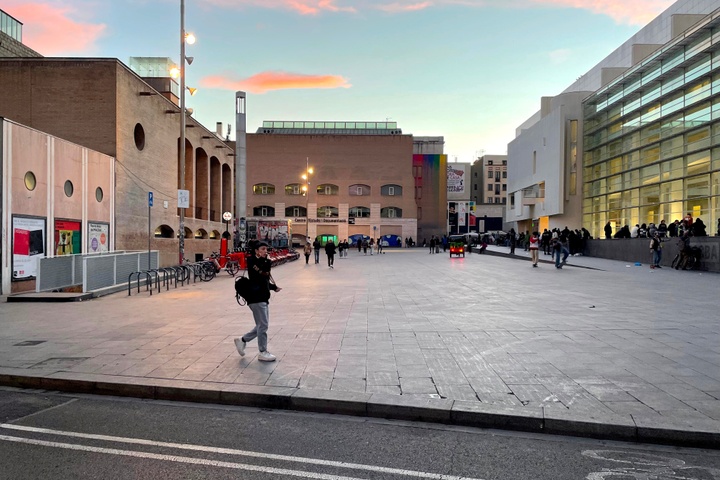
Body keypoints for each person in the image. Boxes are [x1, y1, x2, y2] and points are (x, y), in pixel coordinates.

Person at [234, 241, 282, 362]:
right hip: (256, 297)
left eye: (266, 249)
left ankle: (242, 340)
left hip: (262, 296)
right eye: (263, 249)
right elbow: (260, 275)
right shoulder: (252, 261)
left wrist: (273, 287)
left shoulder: (263, 261)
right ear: (256, 250)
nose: (266, 251)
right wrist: (266, 260)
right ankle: (262, 351)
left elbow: (263, 281)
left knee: (261, 325)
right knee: (263, 325)